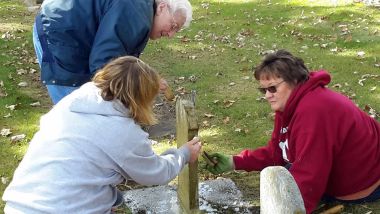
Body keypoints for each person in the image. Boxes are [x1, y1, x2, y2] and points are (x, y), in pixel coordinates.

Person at [2, 56, 202, 213]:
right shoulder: (122, 133)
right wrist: (184, 154)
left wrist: (109, 197)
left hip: (21, 203)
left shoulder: (78, 100)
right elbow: (156, 173)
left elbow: (76, 165)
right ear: (140, 99)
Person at [204, 50, 380, 213]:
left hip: (364, 183)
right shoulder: (289, 105)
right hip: (343, 171)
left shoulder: (314, 110)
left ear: (294, 81)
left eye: (272, 88)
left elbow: (309, 178)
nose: (267, 95)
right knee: (283, 179)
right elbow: (278, 153)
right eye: (263, 90)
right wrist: (236, 161)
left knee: (285, 185)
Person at [33, 0, 192, 104]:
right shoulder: (137, 13)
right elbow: (105, 65)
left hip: (69, 30)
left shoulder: (141, 11)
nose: (171, 35)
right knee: (76, 115)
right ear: (162, 7)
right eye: (173, 26)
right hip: (60, 34)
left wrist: (148, 79)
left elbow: (120, 58)